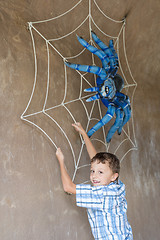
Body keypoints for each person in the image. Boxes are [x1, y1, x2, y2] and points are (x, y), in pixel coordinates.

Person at [56, 122, 133, 240]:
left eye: (100, 173)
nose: (94, 176)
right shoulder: (117, 186)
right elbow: (97, 161)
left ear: (113, 176)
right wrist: (84, 134)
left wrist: (61, 160)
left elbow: (68, 187)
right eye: (92, 171)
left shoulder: (102, 195)